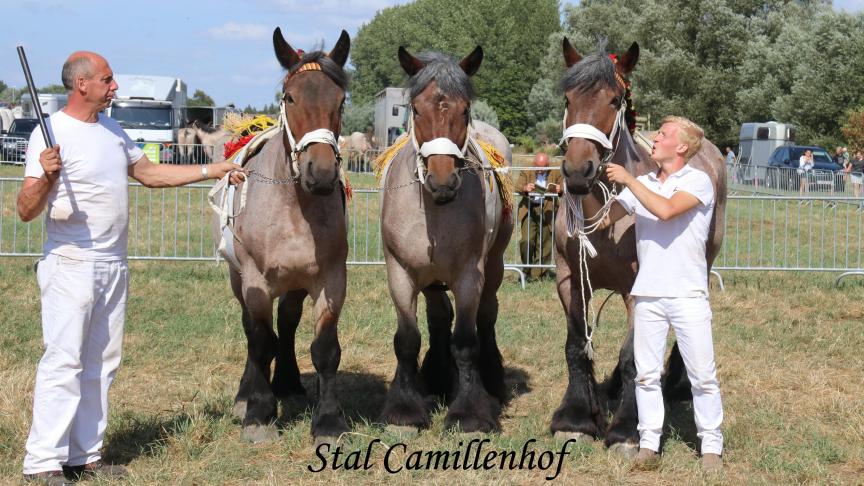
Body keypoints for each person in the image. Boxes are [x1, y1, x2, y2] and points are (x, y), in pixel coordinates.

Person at [17, 51, 244, 485]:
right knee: (64, 362)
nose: (114, 86)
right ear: (82, 84)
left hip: (112, 264)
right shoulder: (49, 135)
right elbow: (26, 210)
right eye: (107, 79)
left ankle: (85, 455)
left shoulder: (112, 129)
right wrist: (46, 177)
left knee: (102, 362)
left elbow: (150, 174)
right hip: (71, 263)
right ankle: (43, 461)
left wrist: (212, 168)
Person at [593, 116, 723, 473]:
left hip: (687, 294)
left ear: (681, 147)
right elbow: (604, 220)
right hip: (647, 293)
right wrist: (581, 190)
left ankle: (711, 445)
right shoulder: (645, 183)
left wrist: (629, 180)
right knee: (646, 374)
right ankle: (649, 441)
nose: (654, 137)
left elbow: (665, 211)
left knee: (702, 375)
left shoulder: (698, 181)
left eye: (663, 134)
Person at [515, 152, 562, 281]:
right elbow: (517, 186)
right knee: (527, 241)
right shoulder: (527, 169)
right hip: (530, 209)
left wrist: (560, 189)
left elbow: (564, 186)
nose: (541, 170)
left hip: (548, 209)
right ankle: (526, 270)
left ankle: (538, 274)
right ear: (534, 163)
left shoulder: (556, 170)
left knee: (545, 243)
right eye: (538, 167)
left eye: (544, 167)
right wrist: (525, 188)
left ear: (548, 164)